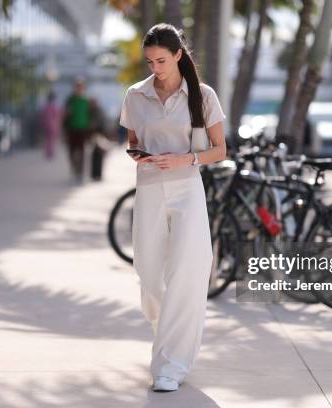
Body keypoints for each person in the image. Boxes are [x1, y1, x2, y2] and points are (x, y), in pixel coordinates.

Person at [119, 23, 226, 392]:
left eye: (162, 60)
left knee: (185, 272)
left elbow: (219, 150)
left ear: (179, 55)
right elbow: (132, 141)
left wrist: (185, 160)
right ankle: (166, 330)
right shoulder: (135, 95)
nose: (156, 68)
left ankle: (170, 364)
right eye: (150, 62)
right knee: (149, 277)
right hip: (149, 188)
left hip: (186, 189)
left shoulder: (202, 95)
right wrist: (140, 156)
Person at [63, 77, 93, 182]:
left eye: (81, 86)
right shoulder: (70, 100)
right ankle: (73, 169)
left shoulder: (87, 100)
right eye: (77, 86)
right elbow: (65, 114)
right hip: (71, 129)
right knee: (71, 151)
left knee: (82, 151)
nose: (79, 88)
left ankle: (80, 171)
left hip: (83, 129)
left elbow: (91, 115)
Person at [40, 91, 62, 160]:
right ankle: (51, 151)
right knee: (52, 139)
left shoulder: (45, 107)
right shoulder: (55, 107)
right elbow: (58, 117)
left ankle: (48, 151)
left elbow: (43, 117)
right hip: (53, 126)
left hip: (47, 125)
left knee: (47, 139)